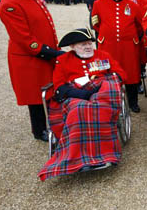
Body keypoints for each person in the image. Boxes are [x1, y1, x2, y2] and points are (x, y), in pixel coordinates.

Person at [38, 28, 127, 181]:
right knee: (79, 109)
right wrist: (82, 94)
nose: (87, 47)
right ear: (72, 47)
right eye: (82, 44)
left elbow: (120, 75)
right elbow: (59, 86)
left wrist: (104, 84)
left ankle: (104, 154)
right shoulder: (63, 60)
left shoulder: (103, 56)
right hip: (75, 96)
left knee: (100, 109)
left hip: (102, 94)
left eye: (89, 43)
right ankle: (77, 156)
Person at [0, 0, 64, 141]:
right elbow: (26, 41)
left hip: (45, 54)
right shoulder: (9, 4)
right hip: (30, 58)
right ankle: (39, 130)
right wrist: (55, 53)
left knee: (50, 91)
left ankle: (55, 123)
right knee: (35, 97)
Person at [91, 0, 143, 112]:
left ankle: (133, 103)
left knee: (131, 76)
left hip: (128, 47)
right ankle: (110, 101)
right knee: (109, 75)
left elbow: (140, 26)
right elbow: (95, 24)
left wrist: (130, 36)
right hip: (108, 46)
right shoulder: (99, 3)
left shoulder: (133, 4)